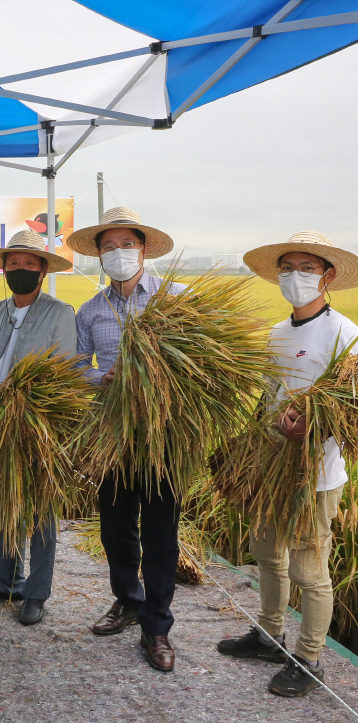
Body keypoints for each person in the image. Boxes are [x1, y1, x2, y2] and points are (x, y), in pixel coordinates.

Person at [216, 231, 358, 697]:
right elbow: (267, 399)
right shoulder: (276, 334)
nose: (295, 277)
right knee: (265, 553)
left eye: (307, 269)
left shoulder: (346, 334)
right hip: (269, 464)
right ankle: (269, 635)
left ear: (328, 276)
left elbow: (350, 407)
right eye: (287, 269)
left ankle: (310, 657)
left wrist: (314, 427)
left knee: (308, 567)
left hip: (315, 473)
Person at [65, 207, 184, 673]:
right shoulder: (90, 310)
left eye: (126, 245)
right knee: (116, 527)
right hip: (110, 432)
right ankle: (128, 599)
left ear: (144, 249)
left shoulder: (175, 298)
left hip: (161, 432)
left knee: (160, 532)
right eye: (108, 247)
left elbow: (199, 362)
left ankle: (157, 627)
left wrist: (154, 376)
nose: (118, 254)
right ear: (98, 255)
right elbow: (76, 366)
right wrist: (100, 378)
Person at [0, 230, 76, 625]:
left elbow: (63, 370)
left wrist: (26, 402)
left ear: (43, 271)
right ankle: (5, 579)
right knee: (4, 500)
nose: (21, 271)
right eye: (14, 265)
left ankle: (36, 592)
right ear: (4, 269)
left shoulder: (60, 312)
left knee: (42, 507)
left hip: (38, 423)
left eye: (29, 265)